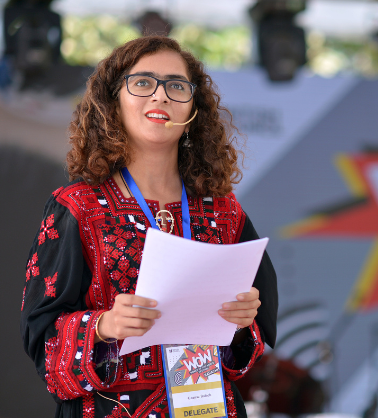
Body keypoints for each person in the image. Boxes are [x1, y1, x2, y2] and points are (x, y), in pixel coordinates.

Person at [20, 36, 277, 418]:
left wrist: (241, 323)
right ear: (114, 101)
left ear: (194, 107)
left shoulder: (224, 211)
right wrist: (105, 325)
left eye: (176, 85)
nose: (160, 96)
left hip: (208, 407)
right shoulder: (77, 207)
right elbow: (42, 339)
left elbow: (249, 343)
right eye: (142, 82)